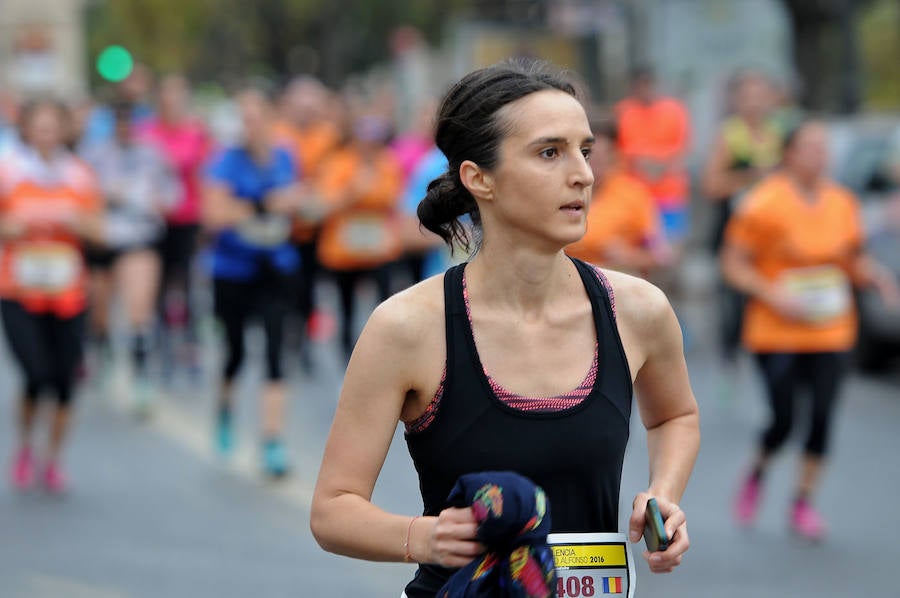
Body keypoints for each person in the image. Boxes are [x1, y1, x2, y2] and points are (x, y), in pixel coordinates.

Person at [310, 60, 700, 597]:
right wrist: (421, 537)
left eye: (584, 150)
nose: (584, 173)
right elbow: (333, 510)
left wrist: (663, 495)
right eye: (549, 152)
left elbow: (676, 415)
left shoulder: (638, 309)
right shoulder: (407, 327)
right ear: (479, 178)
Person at [722, 119, 900, 541]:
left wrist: (873, 275)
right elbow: (733, 264)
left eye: (825, 147)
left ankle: (802, 503)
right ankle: (759, 469)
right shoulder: (763, 203)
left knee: (821, 416)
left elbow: (850, 260)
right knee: (784, 420)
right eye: (811, 146)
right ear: (790, 153)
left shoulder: (842, 202)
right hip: (776, 329)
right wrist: (771, 292)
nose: (822, 154)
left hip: (830, 328)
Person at [1, 99, 103, 493]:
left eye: (52, 126)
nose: (45, 133)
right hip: (18, 288)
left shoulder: (79, 175)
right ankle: (25, 445)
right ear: (26, 130)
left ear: (63, 130)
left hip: (67, 292)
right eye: (38, 126)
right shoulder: (8, 172)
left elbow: (101, 229)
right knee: (34, 374)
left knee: (63, 381)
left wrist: (77, 221)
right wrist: (14, 226)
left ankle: (53, 458)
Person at [201, 88, 305, 477]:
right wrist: (263, 204)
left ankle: (272, 440)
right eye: (244, 119)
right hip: (233, 270)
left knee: (278, 352)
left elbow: (297, 198)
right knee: (236, 353)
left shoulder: (285, 156)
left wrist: (291, 201)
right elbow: (213, 214)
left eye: (257, 117)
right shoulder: (225, 162)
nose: (251, 126)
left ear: (271, 118)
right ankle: (225, 408)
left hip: (276, 266)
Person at [80, 101, 180, 412]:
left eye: (130, 121)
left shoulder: (153, 154)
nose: (125, 128)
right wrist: (104, 197)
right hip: (102, 239)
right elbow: (78, 191)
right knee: (100, 310)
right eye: (119, 121)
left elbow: (172, 194)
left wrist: (154, 201)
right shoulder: (94, 153)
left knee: (139, 310)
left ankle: (141, 377)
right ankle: (103, 348)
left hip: (139, 236)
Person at [703, 70, 782, 370]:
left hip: (772, 232)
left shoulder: (779, 132)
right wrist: (750, 176)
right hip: (734, 229)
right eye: (748, 96)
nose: (756, 103)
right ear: (736, 100)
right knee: (735, 302)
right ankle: (730, 358)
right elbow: (711, 186)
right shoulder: (730, 134)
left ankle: (771, 353)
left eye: (761, 95)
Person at [139, 74, 212, 378]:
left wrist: (207, 217)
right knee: (155, 282)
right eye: (167, 94)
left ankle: (190, 344)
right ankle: (160, 343)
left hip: (187, 217)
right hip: (153, 220)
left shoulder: (196, 132)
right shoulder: (146, 132)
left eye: (177, 94)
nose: (172, 101)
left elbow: (206, 175)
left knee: (186, 281)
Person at [315, 112, 404, 360]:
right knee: (346, 305)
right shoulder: (339, 163)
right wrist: (355, 191)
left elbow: (393, 196)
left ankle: (387, 347)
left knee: (385, 300)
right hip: (345, 246)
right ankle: (347, 353)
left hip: (378, 243)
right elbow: (327, 202)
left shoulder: (387, 162)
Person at [566, 119, 672, 276]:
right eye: (589, 155)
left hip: (615, 285)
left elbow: (661, 255)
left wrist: (629, 256)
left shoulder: (632, 194)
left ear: (614, 155)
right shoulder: (563, 193)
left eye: (603, 156)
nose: (596, 164)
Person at [615, 66, 691, 249]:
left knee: (670, 249)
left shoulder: (674, 111)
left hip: (669, 196)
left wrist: (656, 167)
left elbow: (682, 151)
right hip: (632, 195)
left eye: (648, 85)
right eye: (640, 85)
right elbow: (616, 154)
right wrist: (640, 165)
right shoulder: (621, 112)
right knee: (635, 248)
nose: (645, 90)